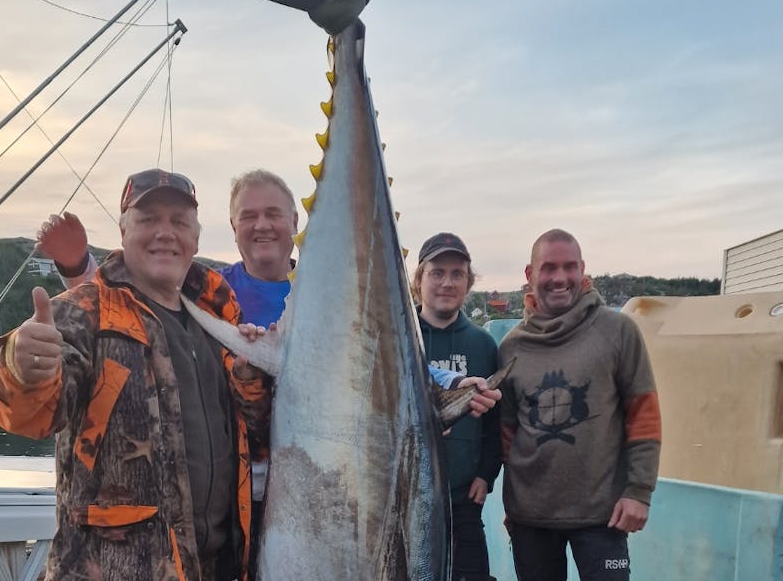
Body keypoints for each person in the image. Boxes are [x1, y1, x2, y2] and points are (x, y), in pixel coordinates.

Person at [34, 169, 494, 580]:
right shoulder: (210, 295)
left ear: (297, 222)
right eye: (248, 215)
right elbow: (127, 311)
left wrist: (451, 384)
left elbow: (375, 363)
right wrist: (77, 270)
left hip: (313, 499)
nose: (262, 225)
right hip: (242, 506)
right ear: (231, 227)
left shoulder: (332, 298)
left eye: (273, 213)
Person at [0, 168, 270, 581]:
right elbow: (32, 415)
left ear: (195, 236)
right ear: (123, 231)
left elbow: (255, 435)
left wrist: (250, 378)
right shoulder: (82, 312)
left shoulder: (220, 321)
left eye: (178, 221)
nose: (165, 232)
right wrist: (22, 368)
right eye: (148, 219)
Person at [498, 229, 661, 581]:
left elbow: (643, 417)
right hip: (530, 520)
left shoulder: (618, 331)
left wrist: (638, 492)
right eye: (549, 267)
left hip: (602, 517)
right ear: (530, 274)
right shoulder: (511, 348)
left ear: (583, 269)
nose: (560, 278)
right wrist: (514, 503)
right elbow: (508, 436)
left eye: (569, 267)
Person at [412, 232, 501, 581]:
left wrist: (486, 475)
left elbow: (496, 422)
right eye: (436, 272)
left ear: (468, 282)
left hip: (463, 495)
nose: (446, 282)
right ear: (419, 279)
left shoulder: (482, 343)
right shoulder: (399, 338)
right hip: (405, 499)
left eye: (457, 274)